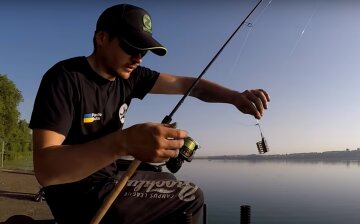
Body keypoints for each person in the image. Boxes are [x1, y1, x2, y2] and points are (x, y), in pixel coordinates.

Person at [29, 3, 270, 224]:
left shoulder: (131, 76)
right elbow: (46, 170)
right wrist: (124, 142)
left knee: (167, 180)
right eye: (130, 46)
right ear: (101, 38)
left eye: (144, 50)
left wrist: (234, 97)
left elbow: (191, 86)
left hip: (108, 178)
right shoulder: (64, 78)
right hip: (76, 195)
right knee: (191, 195)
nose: (138, 57)